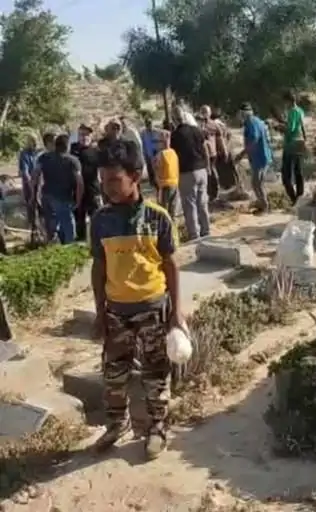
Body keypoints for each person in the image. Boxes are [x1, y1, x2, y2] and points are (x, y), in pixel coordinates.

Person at [90, 137, 182, 459]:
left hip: (153, 310)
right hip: (116, 313)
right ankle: (117, 424)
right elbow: (99, 268)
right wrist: (100, 312)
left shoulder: (158, 218)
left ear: (135, 176)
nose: (108, 188)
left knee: (156, 373)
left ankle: (157, 428)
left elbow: (171, 266)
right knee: (113, 374)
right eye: (103, 181)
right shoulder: (100, 221)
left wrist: (176, 314)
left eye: (114, 180)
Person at [34, 134, 84, 244]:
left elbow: (35, 176)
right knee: (68, 225)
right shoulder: (72, 160)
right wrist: (78, 199)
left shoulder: (44, 157)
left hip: (46, 195)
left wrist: (35, 194)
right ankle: (70, 248)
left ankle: (53, 245)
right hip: (63, 197)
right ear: (67, 146)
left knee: (51, 225)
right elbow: (79, 182)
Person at [170, 106, 210, 240]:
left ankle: (194, 235)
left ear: (174, 119)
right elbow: (205, 149)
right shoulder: (196, 130)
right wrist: (208, 166)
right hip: (201, 170)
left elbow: (174, 156)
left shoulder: (175, 135)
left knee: (189, 204)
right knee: (202, 202)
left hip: (187, 172)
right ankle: (206, 230)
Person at [234, 102, 272, 213]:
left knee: (257, 183)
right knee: (257, 183)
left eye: (240, 114)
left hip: (260, 157)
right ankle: (261, 203)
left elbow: (254, 140)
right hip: (261, 156)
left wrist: (241, 154)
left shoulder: (251, 122)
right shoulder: (256, 121)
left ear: (243, 113)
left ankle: (264, 206)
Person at [70, 124, 102, 241]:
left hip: (92, 190)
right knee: (79, 218)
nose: (84, 137)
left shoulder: (96, 151)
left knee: (96, 218)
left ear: (91, 136)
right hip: (77, 190)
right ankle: (81, 241)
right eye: (82, 134)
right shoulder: (73, 149)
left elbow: (101, 171)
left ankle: (97, 242)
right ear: (78, 136)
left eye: (87, 135)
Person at [278, 90, 307, 205]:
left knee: (286, 176)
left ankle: (294, 199)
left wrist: (279, 127)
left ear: (288, 101)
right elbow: (302, 127)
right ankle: (300, 198)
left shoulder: (292, 112)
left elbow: (290, 129)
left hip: (291, 145)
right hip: (300, 143)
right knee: (298, 172)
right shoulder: (300, 110)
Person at [199, 105, 227, 202]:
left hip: (211, 153)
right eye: (203, 112)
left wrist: (224, 150)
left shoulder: (214, 125)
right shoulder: (198, 125)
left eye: (206, 112)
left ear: (210, 113)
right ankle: (209, 192)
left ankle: (214, 192)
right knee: (206, 173)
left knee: (211, 171)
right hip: (201, 154)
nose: (204, 115)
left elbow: (220, 138)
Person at [154, 130, 179, 219]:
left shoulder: (160, 154)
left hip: (165, 185)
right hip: (175, 183)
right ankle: (173, 223)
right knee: (173, 208)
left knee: (164, 209)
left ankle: (165, 225)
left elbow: (157, 169)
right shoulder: (174, 152)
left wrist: (158, 182)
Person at [18, 134, 38, 227]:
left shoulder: (39, 153)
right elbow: (25, 171)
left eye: (33, 140)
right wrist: (30, 184)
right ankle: (32, 226)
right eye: (29, 140)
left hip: (39, 182)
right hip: (28, 182)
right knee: (30, 204)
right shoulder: (24, 153)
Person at [140, 117, 160, 188]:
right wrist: (144, 153)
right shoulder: (143, 133)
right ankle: (153, 184)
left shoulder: (157, 131)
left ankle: (158, 183)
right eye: (147, 124)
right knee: (150, 170)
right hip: (148, 154)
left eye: (150, 123)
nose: (149, 125)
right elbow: (143, 143)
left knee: (157, 170)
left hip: (156, 154)